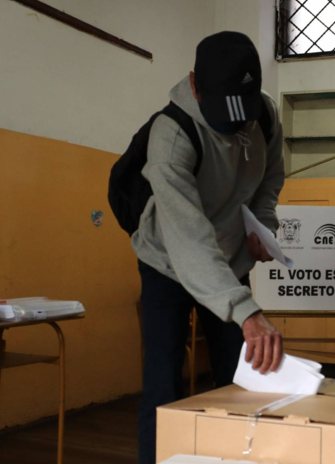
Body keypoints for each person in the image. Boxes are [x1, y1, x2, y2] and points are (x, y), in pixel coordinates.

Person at [133, 32, 286, 464]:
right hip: (167, 262)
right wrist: (248, 313)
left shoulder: (264, 115)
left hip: (230, 259)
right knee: (163, 384)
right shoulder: (171, 138)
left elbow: (270, 178)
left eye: (243, 115)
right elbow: (190, 239)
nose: (235, 126)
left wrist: (263, 225)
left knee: (238, 379)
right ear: (194, 85)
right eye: (223, 116)